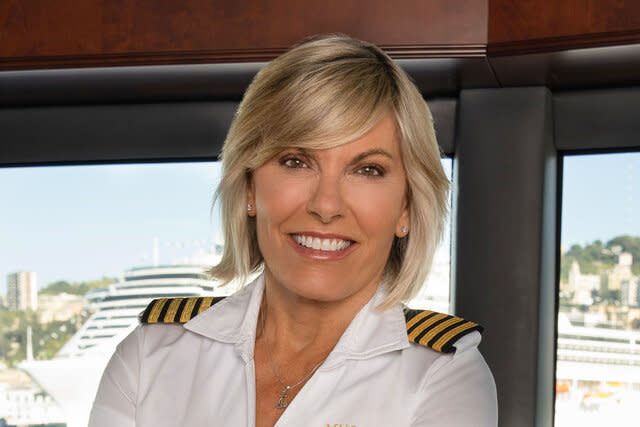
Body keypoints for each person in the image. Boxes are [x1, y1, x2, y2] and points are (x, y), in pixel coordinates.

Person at [88, 35, 497, 427]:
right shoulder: (150, 356)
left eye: (367, 170)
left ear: (405, 208)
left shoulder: (442, 373)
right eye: (296, 161)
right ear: (250, 186)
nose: (325, 205)